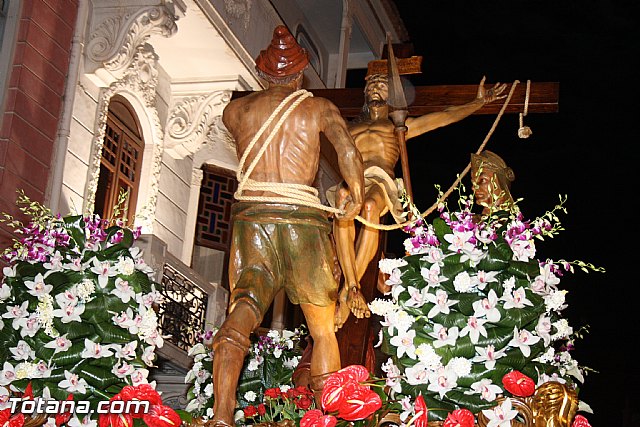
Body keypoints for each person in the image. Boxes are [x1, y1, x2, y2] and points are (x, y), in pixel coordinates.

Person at [209, 25, 364, 427]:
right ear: (300, 75)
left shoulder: (235, 112)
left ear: (262, 74)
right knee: (322, 327)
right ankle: (329, 417)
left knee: (242, 308)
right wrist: (357, 196)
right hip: (302, 224)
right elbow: (347, 151)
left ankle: (221, 417)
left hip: (252, 221)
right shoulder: (317, 108)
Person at [332, 72, 507, 328]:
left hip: (381, 179)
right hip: (355, 178)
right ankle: (350, 285)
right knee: (342, 196)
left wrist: (477, 103)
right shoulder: (348, 128)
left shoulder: (397, 126)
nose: (374, 89)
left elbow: (443, 116)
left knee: (369, 207)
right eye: (370, 85)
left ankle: (350, 290)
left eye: (381, 85)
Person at [470, 150, 516, 217]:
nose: (473, 188)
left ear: (501, 182)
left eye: (483, 180)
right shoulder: (473, 222)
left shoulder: (510, 223)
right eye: (473, 182)